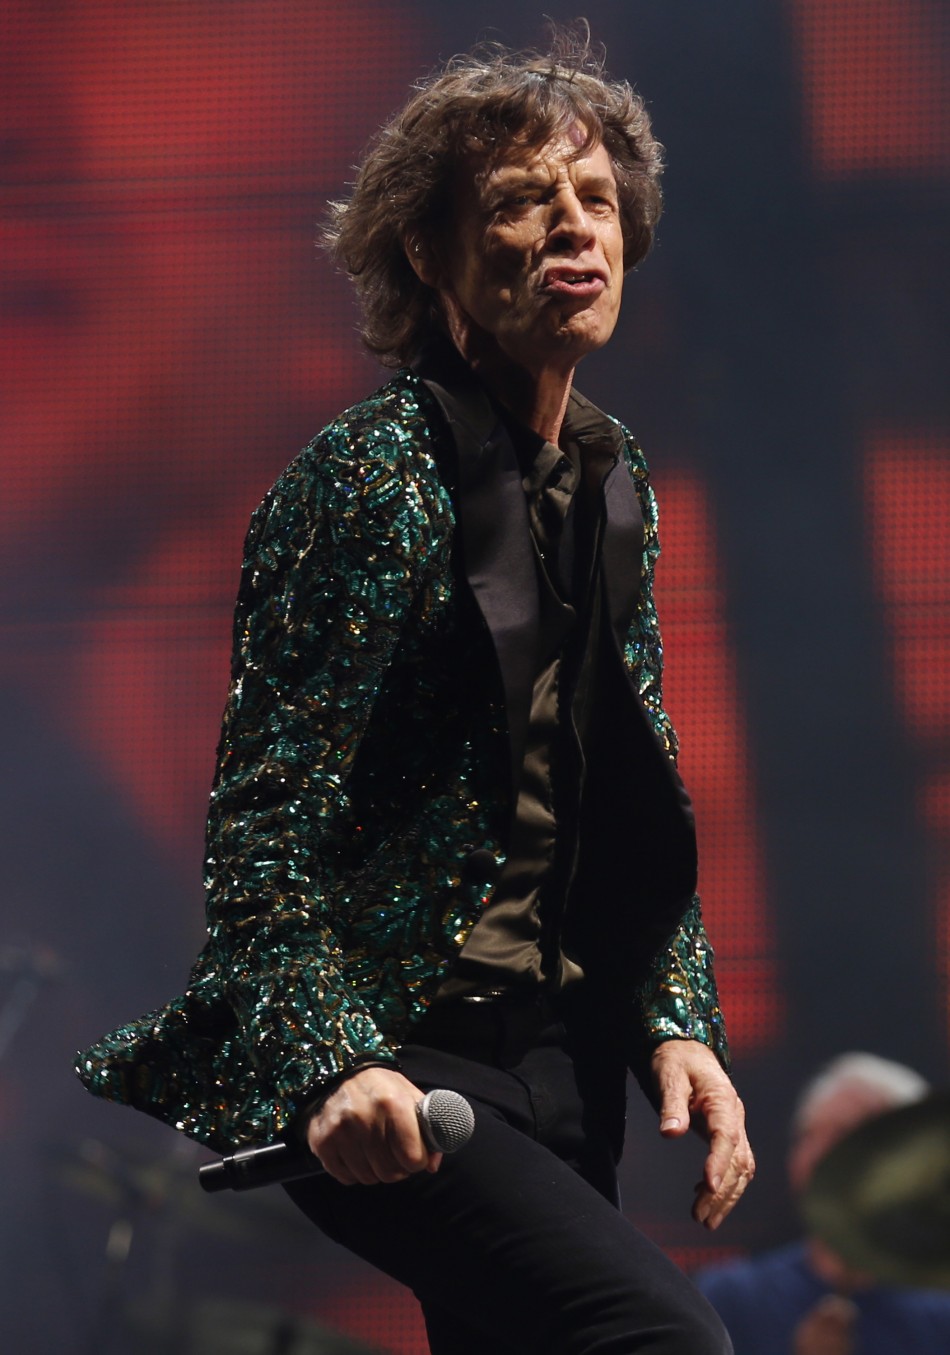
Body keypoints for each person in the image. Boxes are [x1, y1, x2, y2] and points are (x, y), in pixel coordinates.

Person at [77, 32, 753, 1354]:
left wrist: (672, 1023)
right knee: (667, 1337)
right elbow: (265, 819)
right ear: (431, 258)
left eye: (596, 199)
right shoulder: (372, 482)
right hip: (400, 1053)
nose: (573, 226)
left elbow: (628, 786)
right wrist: (335, 1061)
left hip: (554, 1051)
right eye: (518, 200)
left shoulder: (615, 485)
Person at [695, 1053, 950, 1355]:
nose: (817, 1156)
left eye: (843, 1135)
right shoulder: (731, 1298)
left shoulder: (940, 1311)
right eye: (808, 1135)